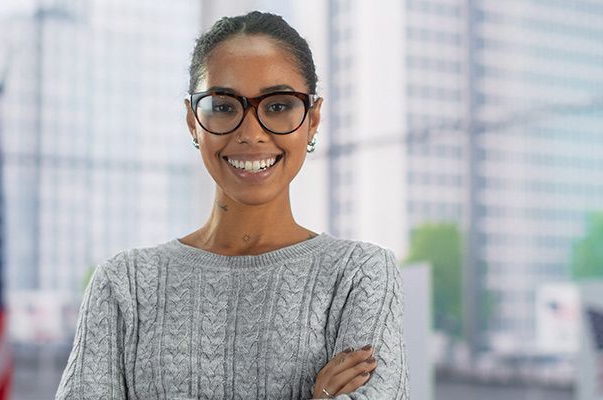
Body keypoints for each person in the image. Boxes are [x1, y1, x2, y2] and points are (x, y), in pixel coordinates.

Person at [54, 11, 408, 400]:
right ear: (193, 121)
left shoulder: (360, 275)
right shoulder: (125, 284)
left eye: (278, 106)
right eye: (223, 106)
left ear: (313, 118)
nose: (251, 133)